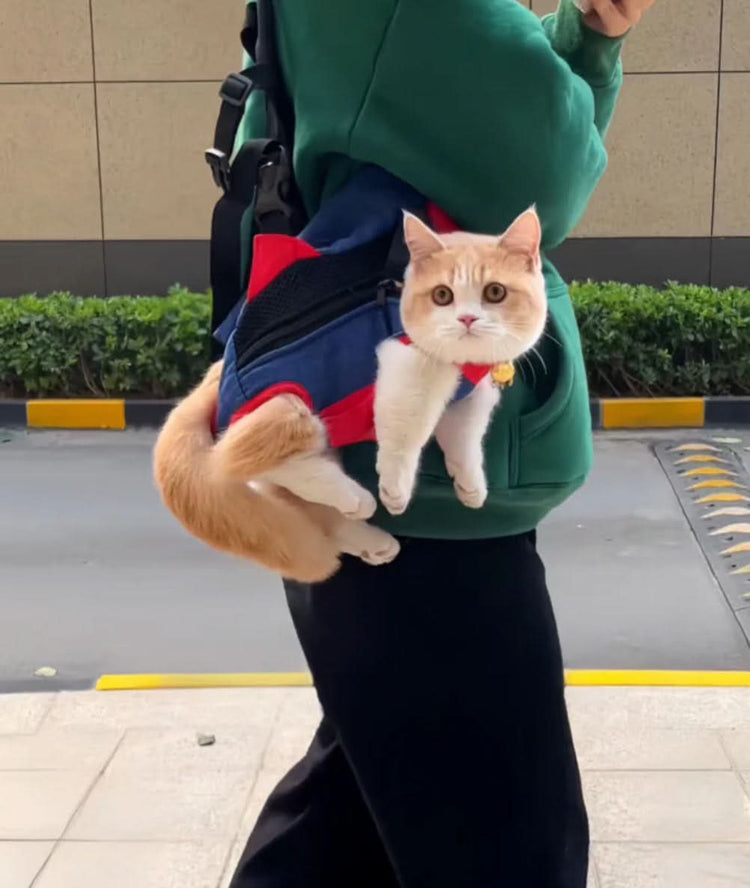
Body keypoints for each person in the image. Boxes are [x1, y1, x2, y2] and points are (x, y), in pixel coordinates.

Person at [216, 1, 657, 885]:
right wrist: (586, 51)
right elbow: (548, 174)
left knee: (348, 826)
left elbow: (515, 186)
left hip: (356, 450)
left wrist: (585, 42)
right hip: (432, 524)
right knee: (510, 851)